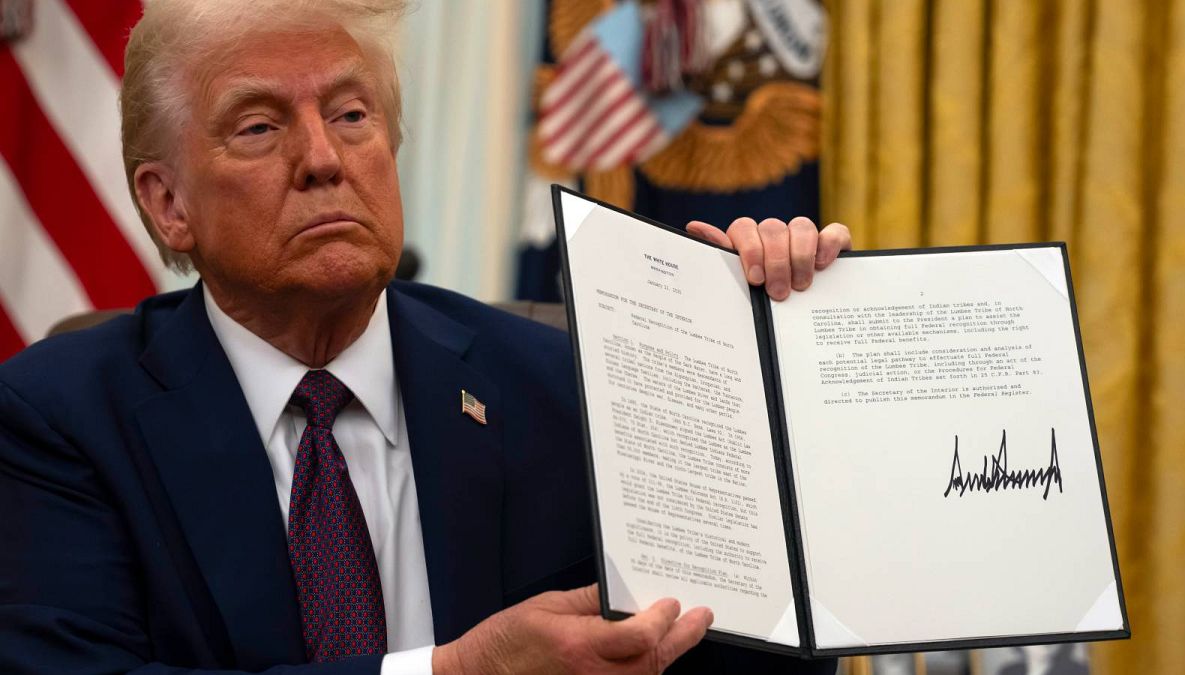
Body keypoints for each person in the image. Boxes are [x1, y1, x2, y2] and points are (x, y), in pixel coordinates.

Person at [0, 1, 853, 673]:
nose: (323, 158)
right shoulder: (61, 416)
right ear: (167, 203)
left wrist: (763, 385)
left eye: (352, 114)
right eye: (259, 126)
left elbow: (751, 656)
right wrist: (457, 672)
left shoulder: (574, 383)